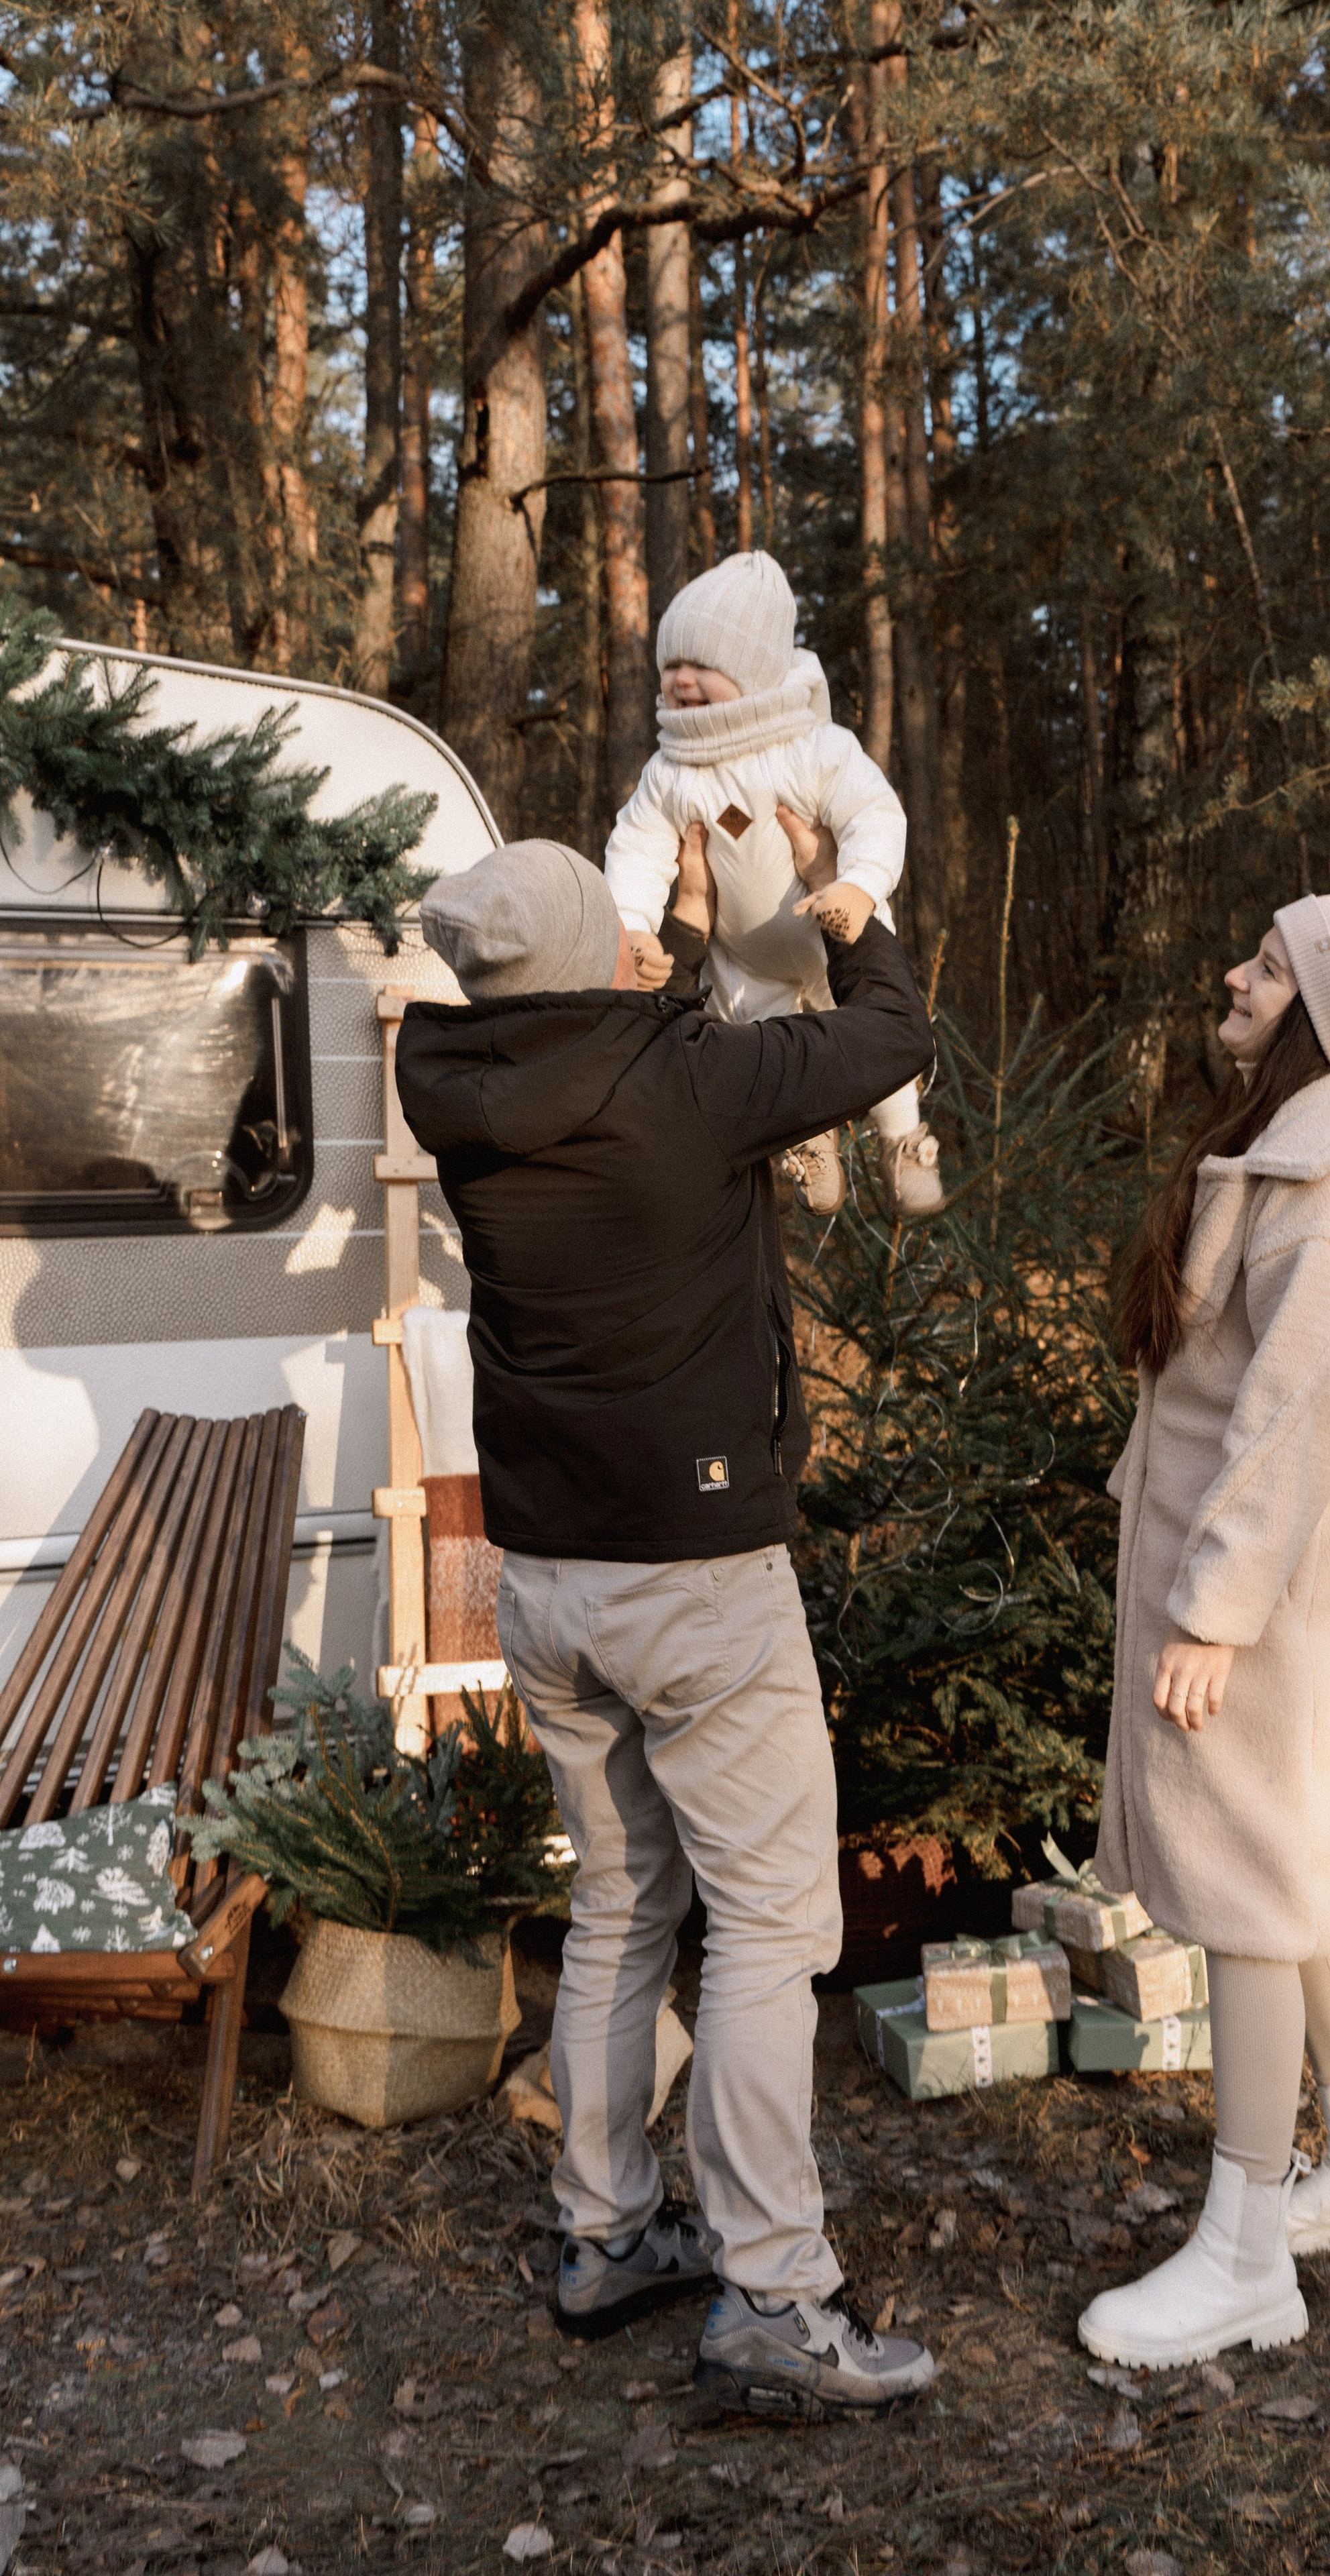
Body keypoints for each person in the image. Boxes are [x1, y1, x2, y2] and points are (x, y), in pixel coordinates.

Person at [393, 828, 939, 2420]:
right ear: (590, 958)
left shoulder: (457, 1082)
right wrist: (853, 913)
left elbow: (608, 1034)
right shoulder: (689, 1083)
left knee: (622, 1903)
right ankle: (771, 2291)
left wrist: (677, 936)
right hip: (695, 1577)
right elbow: (887, 1038)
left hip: (547, 1577)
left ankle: (605, 2233)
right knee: (771, 1923)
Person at [1079, 891, 1330, 2373]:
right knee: (1296, 1866)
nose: (1235, 978)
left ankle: (1245, 2255)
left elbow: (1292, 1414)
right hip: (1233, 1581)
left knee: (1251, 1891)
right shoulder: (1281, 1139)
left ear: (1318, 1008)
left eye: (1264, 967)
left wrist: (1217, 1612)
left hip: (1262, 1605)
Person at [604, 548, 944, 1221]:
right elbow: (637, 847)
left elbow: (875, 814)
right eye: (671, 665)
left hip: (829, 928)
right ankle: (808, 1139)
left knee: (872, 1027)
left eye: (701, 665)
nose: (681, 679)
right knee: (768, 1045)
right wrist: (633, 923)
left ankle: (903, 1141)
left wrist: (860, 884)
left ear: (754, 669)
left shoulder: (812, 748)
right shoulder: (671, 770)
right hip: (744, 954)